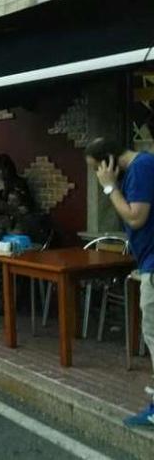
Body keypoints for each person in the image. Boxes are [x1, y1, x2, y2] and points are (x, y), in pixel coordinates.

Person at [85, 137, 154, 427]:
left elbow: (136, 218)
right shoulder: (142, 167)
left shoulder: (140, 168)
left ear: (108, 162)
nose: (96, 175)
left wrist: (109, 187)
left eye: (96, 169)